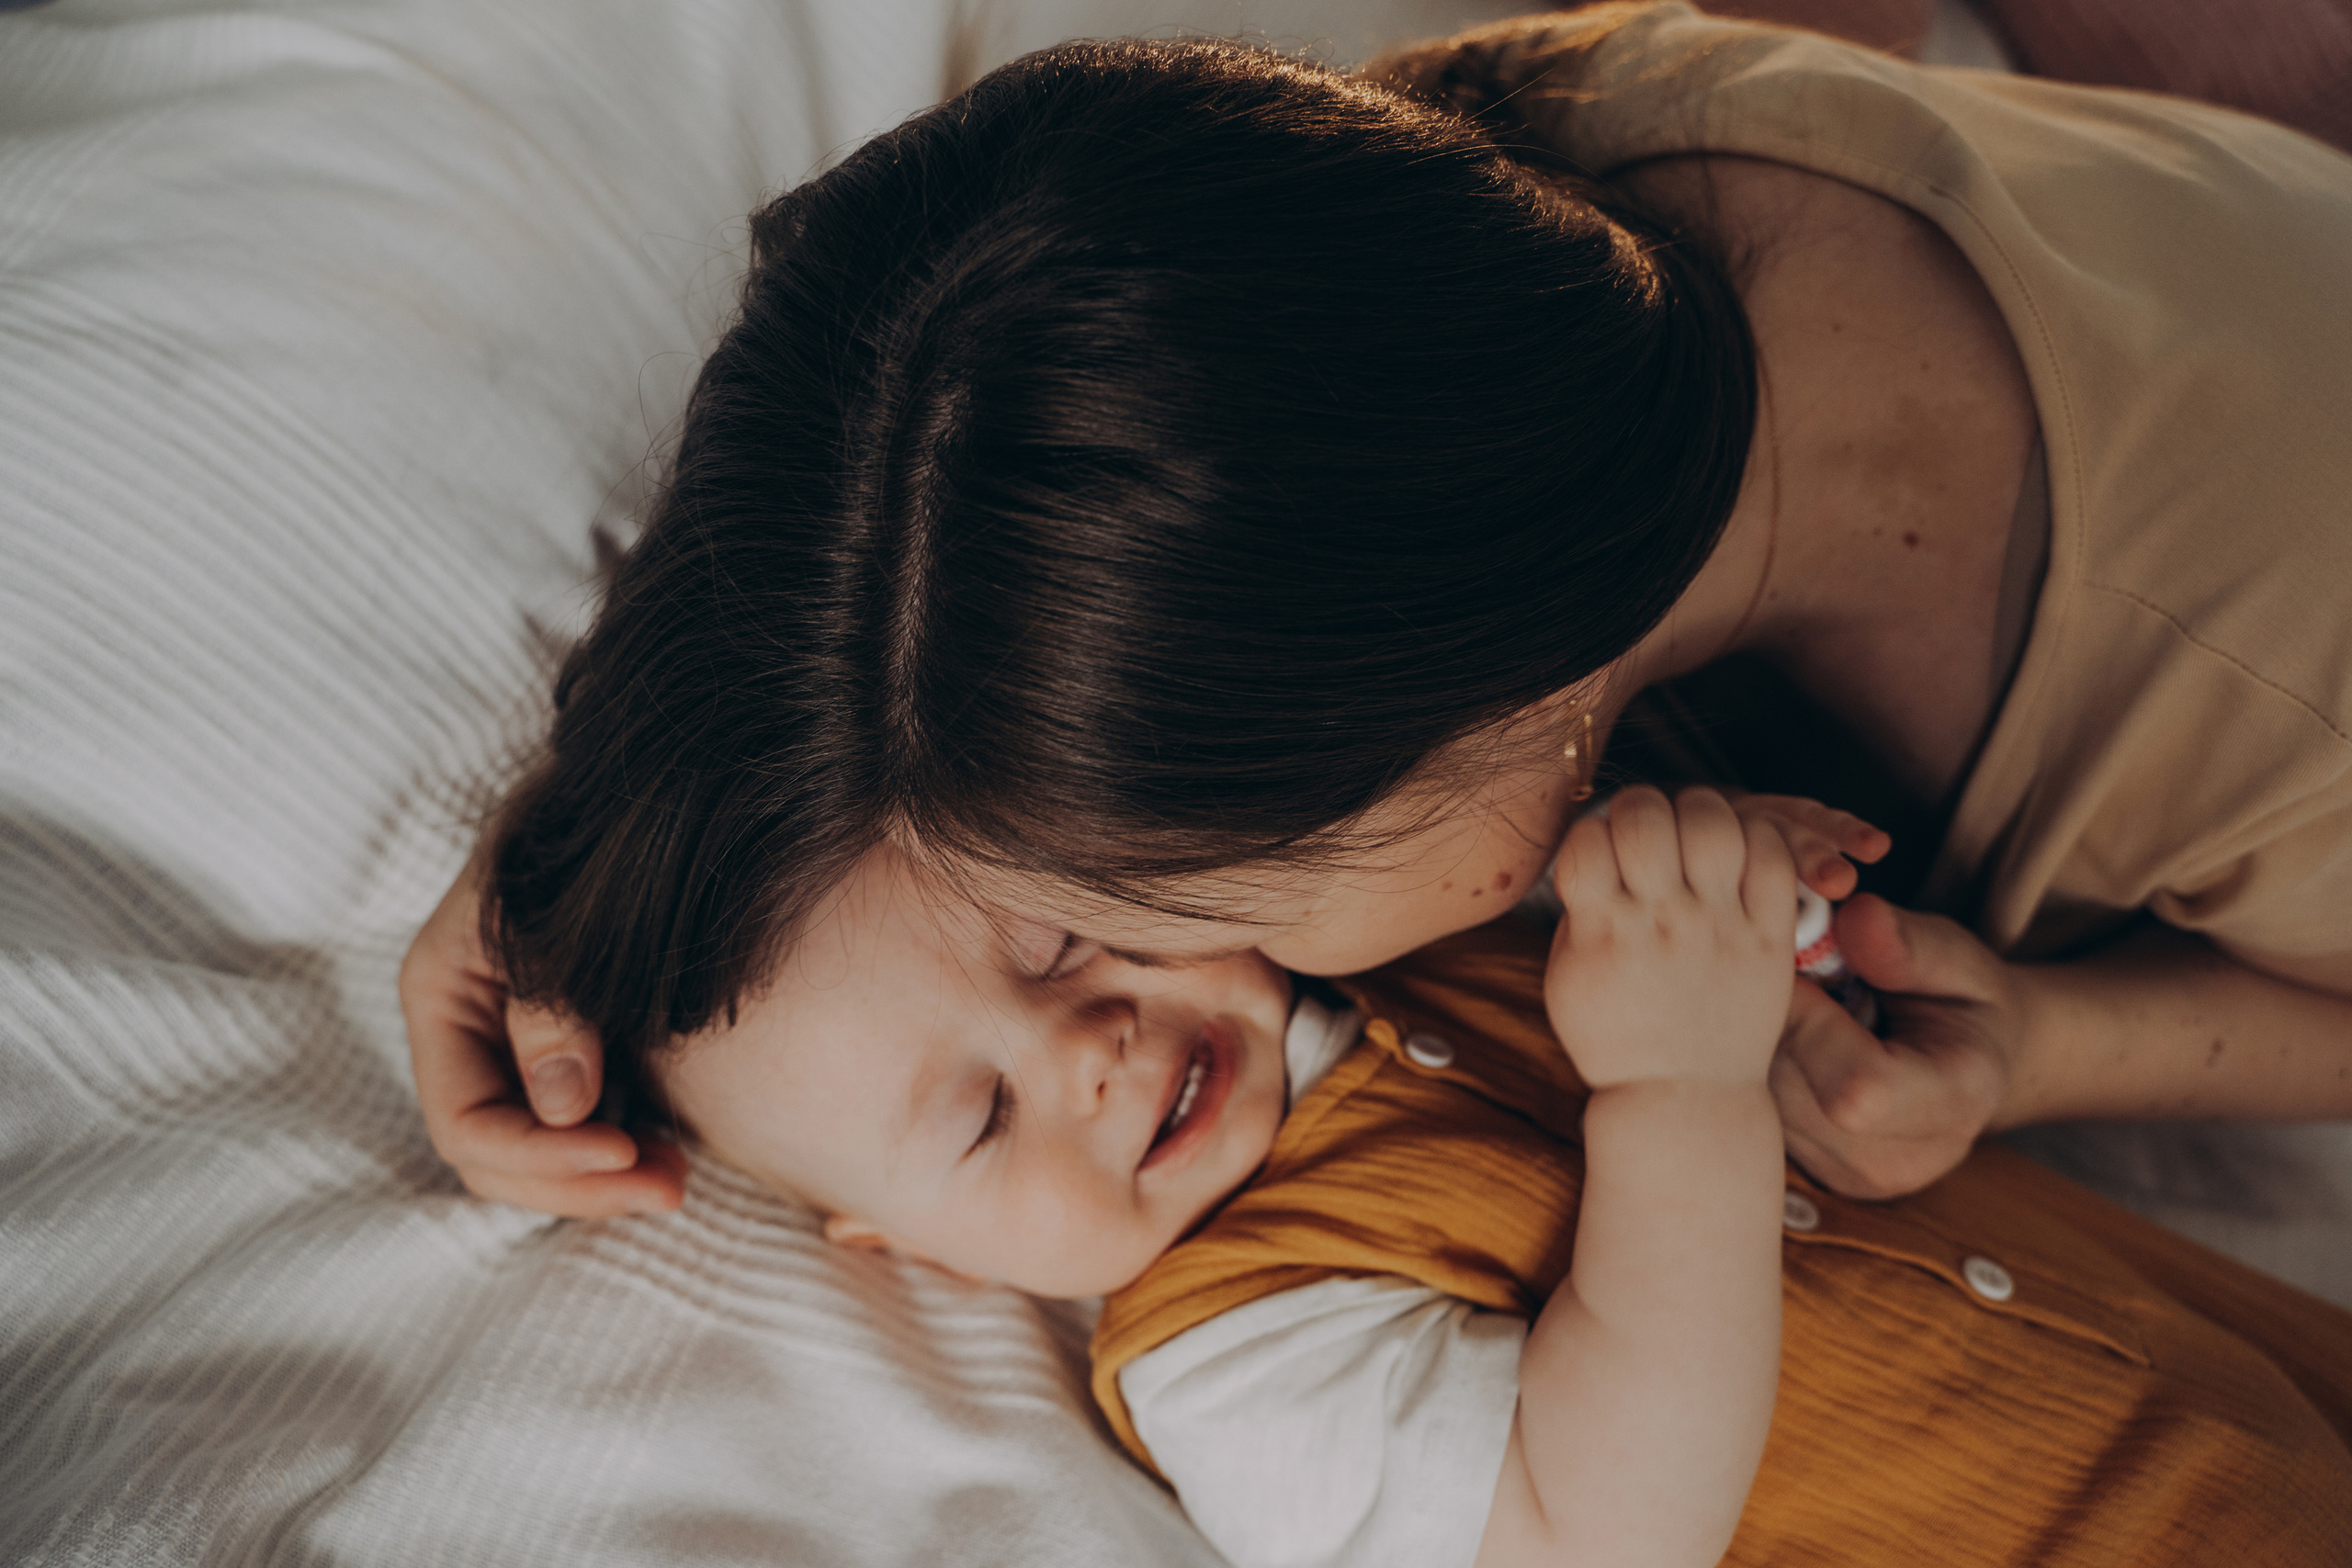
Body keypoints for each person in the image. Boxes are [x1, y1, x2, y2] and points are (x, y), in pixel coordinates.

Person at [399, 5, 2352, 1219]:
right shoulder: (1431, 206)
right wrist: (623, 841)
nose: (1177, 982)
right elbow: (929, 491)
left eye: (1178, 907)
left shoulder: (2263, 690)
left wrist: (2050, 1046)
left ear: (1477, 728)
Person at [591, 790, 2352, 1568]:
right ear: (920, 1254)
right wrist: (1677, 1077)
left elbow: (1646, 908)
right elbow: (1595, 1531)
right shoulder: (1232, 1360)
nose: (1091, 1051)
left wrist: (1718, 893)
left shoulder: (1397, 946)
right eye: (982, 1119)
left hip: (2258, 1390)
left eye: (1066, 938)